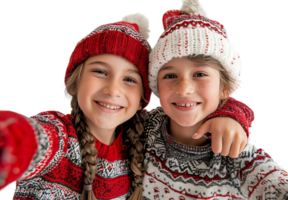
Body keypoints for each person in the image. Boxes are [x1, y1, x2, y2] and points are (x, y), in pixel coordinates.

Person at [0, 11, 255, 200]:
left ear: (144, 97)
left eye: (130, 79)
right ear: (75, 81)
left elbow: (197, 106)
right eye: (100, 71)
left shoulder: (148, 134)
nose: (113, 89)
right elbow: (28, 140)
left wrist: (230, 116)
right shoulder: (59, 136)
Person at [142, 0, 288, 199]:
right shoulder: (147, 126)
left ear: (224, 87)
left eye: (200, 74)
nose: (184, 89)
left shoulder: (235, 150)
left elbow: (281, 186)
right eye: (170, 76)